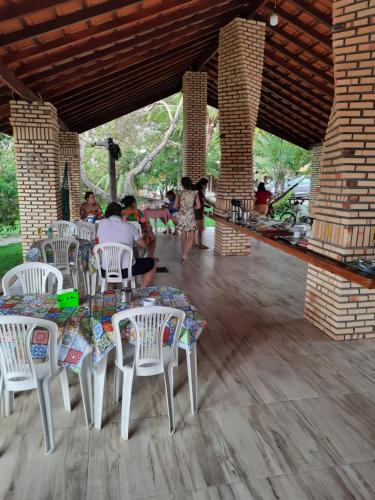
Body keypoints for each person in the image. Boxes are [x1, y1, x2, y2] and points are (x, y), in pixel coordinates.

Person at [97, 202, 156, 287]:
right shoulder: (130, 226)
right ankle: (142, 290)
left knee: (111, 259)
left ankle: (111, 290)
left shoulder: (101, 224)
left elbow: (100, 239)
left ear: (107, 213)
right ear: (121, 213)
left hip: (105, 270)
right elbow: (143, 245)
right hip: (126, 270)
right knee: (152, 262)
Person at [174, 177, 200, 262]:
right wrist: (193, 207)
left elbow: (175, 206)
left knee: (183, 234)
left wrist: (180, 206)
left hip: (182, 215)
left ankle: (183, 253)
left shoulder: (179, 193)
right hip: (190, 216)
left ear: (182, 184)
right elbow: (198, 206)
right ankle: (185, 254)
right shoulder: (195, 193)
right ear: (190, 183)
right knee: (191, 236)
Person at [194, 178, 209, 249]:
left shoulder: (196, 190)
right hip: (198, 212)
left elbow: (200, 201)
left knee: (195, 228)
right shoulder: (199, 191)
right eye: (206, 184)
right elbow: (203, 200)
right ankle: (200, 244)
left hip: (195, 211)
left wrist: (205, 205)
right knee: (200, 229)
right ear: (203, 184)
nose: (206, 186)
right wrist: (213, 204)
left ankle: (194, 242)